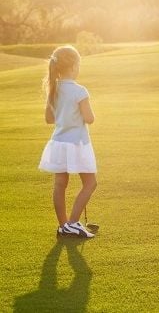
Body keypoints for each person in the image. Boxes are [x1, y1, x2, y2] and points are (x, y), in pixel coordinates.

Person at [39, 45, 98, 238]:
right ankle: (73, 223)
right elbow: (89, 118)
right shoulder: (79, 90)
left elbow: (49, 119)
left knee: (60, 184)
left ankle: (64, 225)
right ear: (74, 67)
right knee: (90, 183)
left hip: (58, 143)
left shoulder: (53, 89)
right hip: (77, 144)